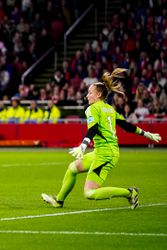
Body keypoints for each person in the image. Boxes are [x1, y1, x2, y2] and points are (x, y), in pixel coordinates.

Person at [41, 68, 162, 209]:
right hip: (104, 151)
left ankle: (130, 193)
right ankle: (59, 200)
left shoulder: (92, 109)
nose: (87, 96)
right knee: (73, 168)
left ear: (98, 94)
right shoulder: (109, 108)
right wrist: (147, 134)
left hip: (106, 154)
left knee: (89, 193)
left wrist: (83, 145)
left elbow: (94, 128)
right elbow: (126, 125)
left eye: (90, 92)